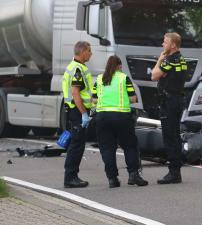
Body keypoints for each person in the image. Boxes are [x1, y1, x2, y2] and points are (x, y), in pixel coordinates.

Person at [92, 56, 148, 188]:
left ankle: (112, 179)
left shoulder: (99, 79)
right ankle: (133, 174)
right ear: (118, 66)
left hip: (102, 117)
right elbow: (133, 98)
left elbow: (93, 100)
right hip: (121, 117)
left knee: (107, 148)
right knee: (129, 146)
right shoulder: (124, 78)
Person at [151, 32, 187, 184]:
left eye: (165, 42)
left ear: (173, 45)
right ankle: (176, 170)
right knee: (175, 135)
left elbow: (154, 75)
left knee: (169, 136)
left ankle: (173, 172)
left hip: (169, 101)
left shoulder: (170, 60)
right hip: (177, 99)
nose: (162, 44)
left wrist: (159, 59)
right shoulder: (182, 59)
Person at [62, 41, 93, 188]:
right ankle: (70, 178)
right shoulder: (77, 69)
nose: (90, 54)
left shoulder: (75, 67)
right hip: (77, 111)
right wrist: (84, 114)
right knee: (77, 145)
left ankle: (71, 176)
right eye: (89, 51)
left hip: (75, 110)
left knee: (76, 144)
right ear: (82, 52)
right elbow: (76, 93)